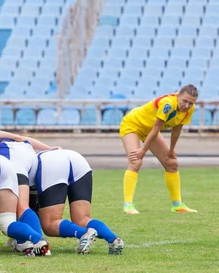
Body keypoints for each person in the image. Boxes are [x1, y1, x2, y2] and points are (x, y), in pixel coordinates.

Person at [120, 85, 198, 214]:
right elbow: (156, 129)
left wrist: (171, 150)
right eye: (185, 101)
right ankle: (128, 206)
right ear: (178, 96)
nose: (187, 105)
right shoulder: (168, 104)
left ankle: (177, 205)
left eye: (190, 103)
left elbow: (177, 129)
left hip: (149, 130)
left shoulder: (190, 110)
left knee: (171, 162)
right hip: (132, 124)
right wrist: (142, 151)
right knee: (136, 161)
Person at [29, 149, 123, 255]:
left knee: (50, 224)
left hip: (50, 163)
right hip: (76, 158)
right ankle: (114, 240)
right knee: (82, 219)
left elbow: (24, 208)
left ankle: (84, 234)